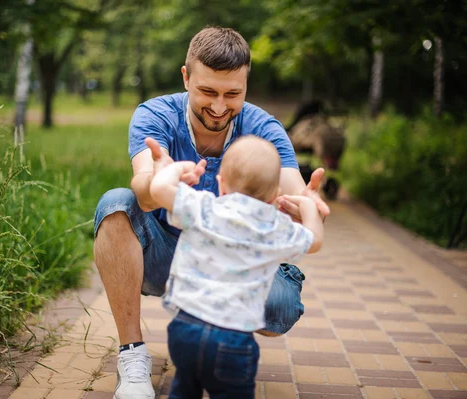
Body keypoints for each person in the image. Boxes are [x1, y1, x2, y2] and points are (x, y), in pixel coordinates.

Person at [93, 26, 330, 399]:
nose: (219, 107)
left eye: (233, 94)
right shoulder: (155, 115)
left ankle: (219, 331)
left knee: (281, 309)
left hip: (238, 261)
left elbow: (294, 189)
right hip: (167, 256)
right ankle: (132, 355)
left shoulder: (264, 128)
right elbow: (142, 187)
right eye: (208, 91)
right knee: (116, 203)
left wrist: (306, 205)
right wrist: (161, 179)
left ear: (246, 84)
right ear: (186, 77)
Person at [148, 135, 324, 398]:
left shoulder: (204, 207)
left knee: (184, 387)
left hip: (186, 330)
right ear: (276, 196)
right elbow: (314, 241)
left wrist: (176, 168)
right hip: (233, 339)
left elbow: (158, 189)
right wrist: (309, 205)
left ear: (221, 184)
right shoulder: (275, 228)